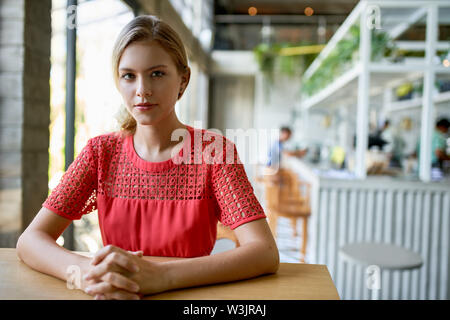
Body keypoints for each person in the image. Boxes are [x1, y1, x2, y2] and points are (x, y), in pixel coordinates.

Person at [16, 15, 279, 300]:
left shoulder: (213, 152)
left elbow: (264, 252)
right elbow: (30, 240)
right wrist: (87, 275)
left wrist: (162, 277)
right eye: (129, 75)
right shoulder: (100, 153)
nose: (142, 90)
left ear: (183, 79)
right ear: (118, 82)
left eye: (157, 73)